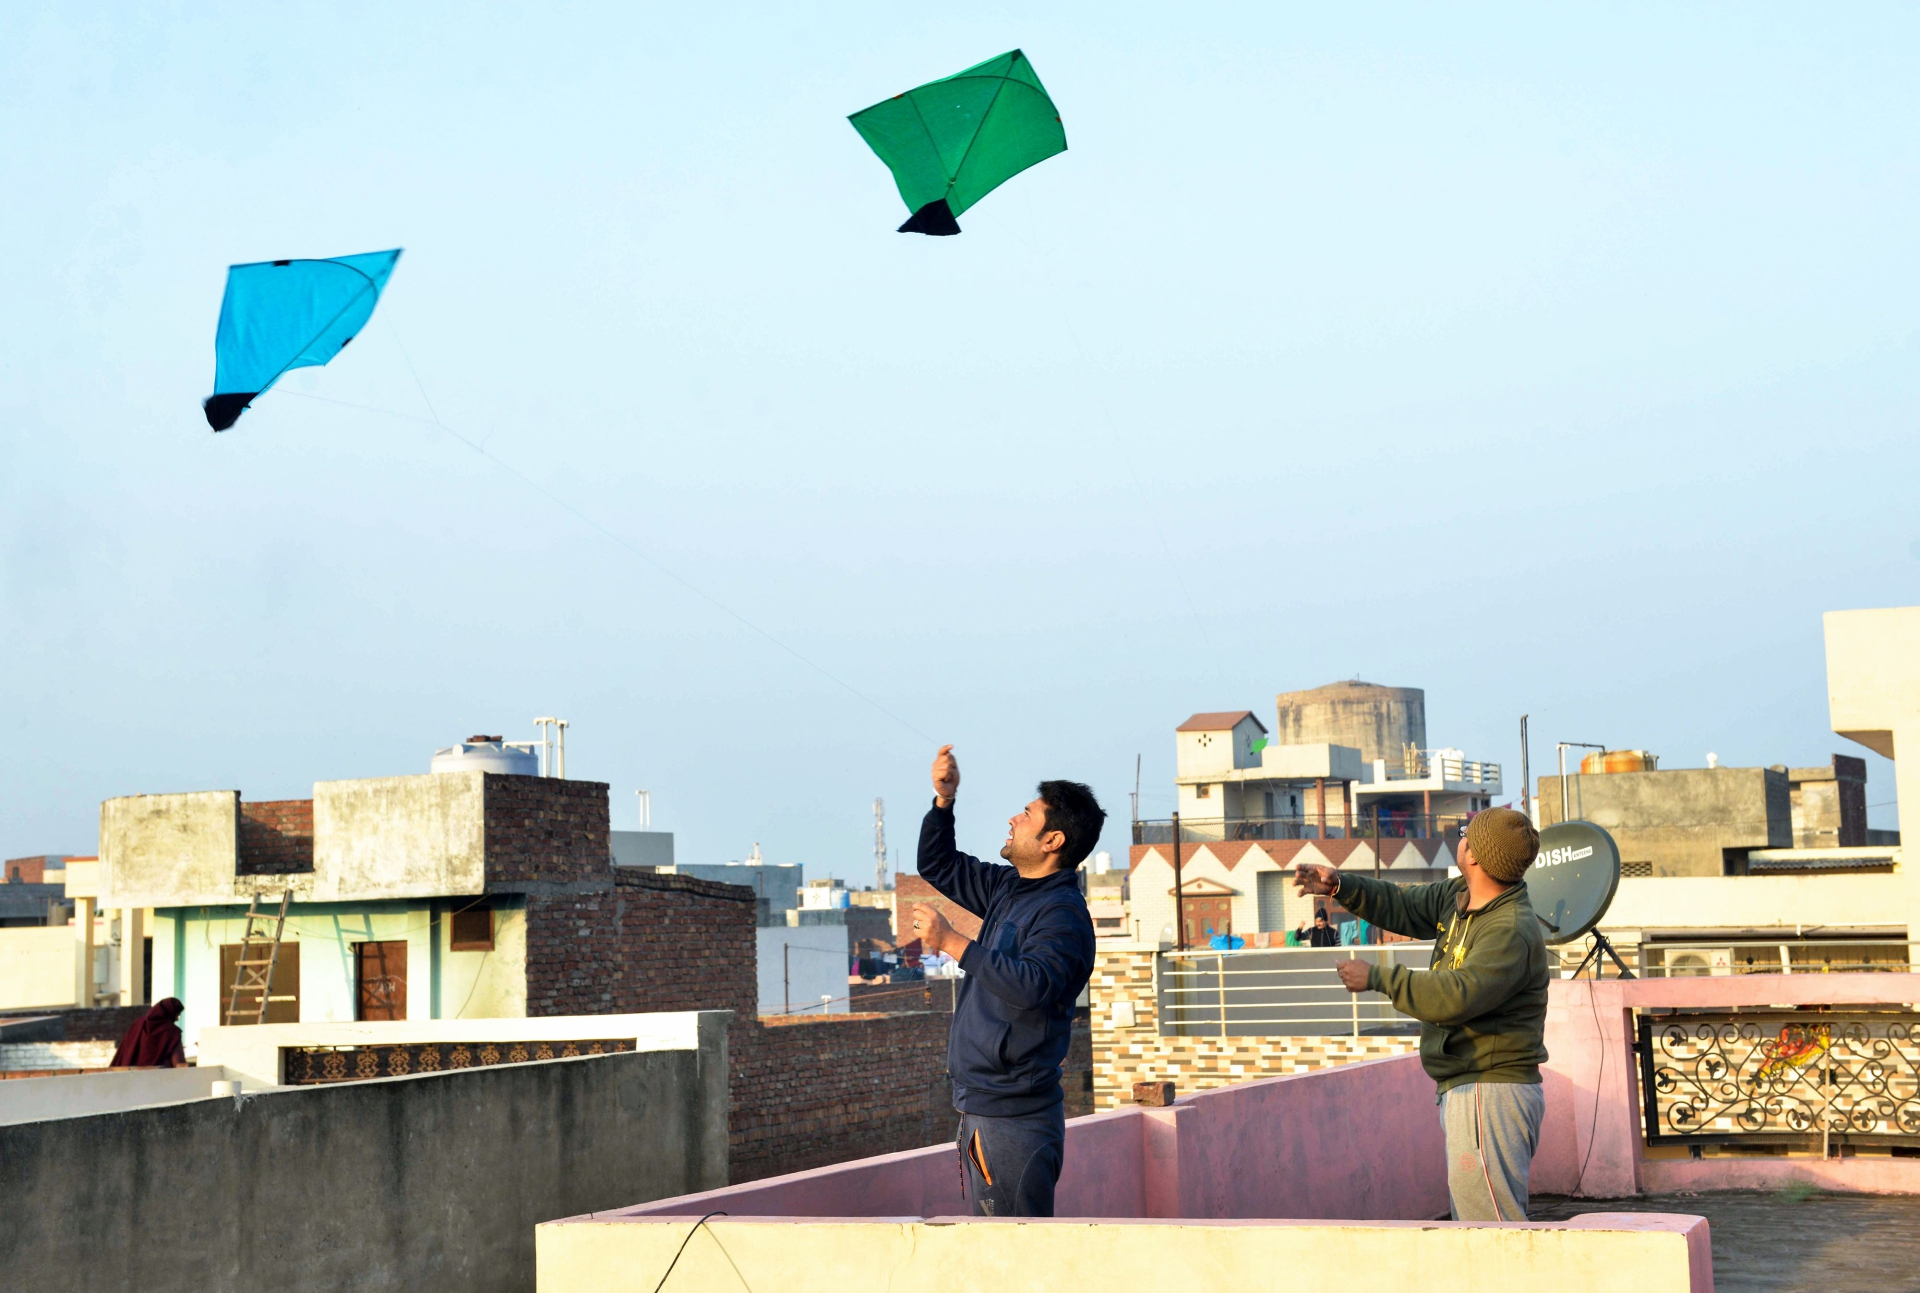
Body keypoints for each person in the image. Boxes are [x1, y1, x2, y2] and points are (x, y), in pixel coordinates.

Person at [1293, 807, 1549, 1222]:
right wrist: (1339, 885)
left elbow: (1456, 995)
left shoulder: (1510, 928)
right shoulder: (1460, 896)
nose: (1460, 839)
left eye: (1465, 834)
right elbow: (1403, 905)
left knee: (1491, 1231)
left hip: (1490, 1089)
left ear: (1474, 855)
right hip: (1471, 1088)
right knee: (1481, 1223)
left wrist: (1379, 977)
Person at [908, 744, 1102, 1218]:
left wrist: (952, 942)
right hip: (984, 1108)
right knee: (994, 1242)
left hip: (1015, 1118)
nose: (1014, 819)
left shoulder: (1063, 915)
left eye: (1027, 814)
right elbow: (937, 864)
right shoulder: (1007, 887)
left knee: (1013, 1248)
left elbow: (1034, 985)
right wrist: (944, 801)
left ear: (1053, 840)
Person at [110, 997, 187, 1068]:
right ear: (170, 1013)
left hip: (130, 1076)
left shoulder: (138, 1024)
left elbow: (123, 1055)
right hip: (159, 1077)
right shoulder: (172, 1031)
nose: (177, 1019)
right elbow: (178, 1063)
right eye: (177, 1015)